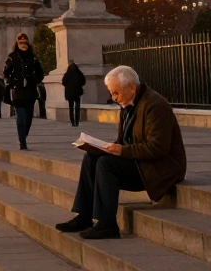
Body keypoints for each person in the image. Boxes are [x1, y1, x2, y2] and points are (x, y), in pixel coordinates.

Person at [54, 65, 186, 240]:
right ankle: (84, 217)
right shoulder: (128, 104)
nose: (114, 98)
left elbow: (158, 148)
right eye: (112, 94)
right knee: (92, 158)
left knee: (106, 164)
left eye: (116, 93)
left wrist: (121, 150)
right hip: (140, 162)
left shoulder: (154, 105)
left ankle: (107, 224)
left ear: (131, 87)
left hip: (159, 168)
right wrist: (102, 148)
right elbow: (123, 141)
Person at [3, 33, 45, 150]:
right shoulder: (12, 57)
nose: (23, 45)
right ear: (17, 44)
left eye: (25, 43)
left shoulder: (33, 57)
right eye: (21, 43)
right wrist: (13, 82)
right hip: (18, 90)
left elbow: (40, 73)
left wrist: (35, 80)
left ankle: (24, 135)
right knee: (20, 116)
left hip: (30, 90)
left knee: (29, 117)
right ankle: (22, 141)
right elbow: (6, 73)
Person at [62, 61, 86, 127]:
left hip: (69, 94)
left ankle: (72, 122)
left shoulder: (67, 74)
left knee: (71, 108)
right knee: (77, 108)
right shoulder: (79, 73)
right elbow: (83, 82)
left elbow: (63, 82)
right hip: (77, 93)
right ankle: (77, 122)